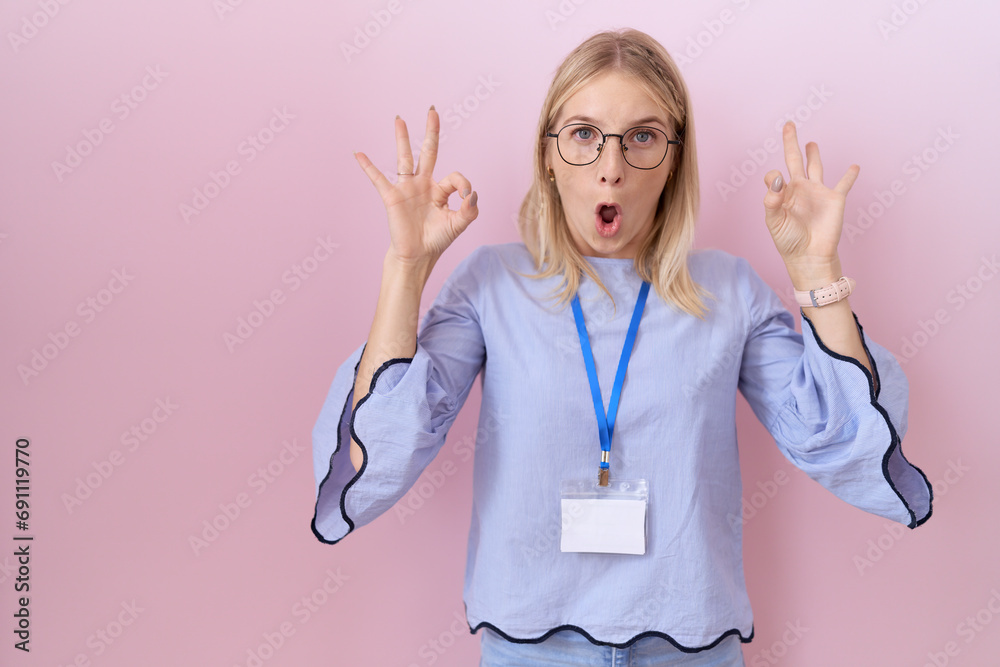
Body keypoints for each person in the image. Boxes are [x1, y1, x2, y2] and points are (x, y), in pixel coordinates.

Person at [311, 28, 932, 667]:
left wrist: (815, 271)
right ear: (548, 155)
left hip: (690, 648)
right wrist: (406, 267)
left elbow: (844, 438)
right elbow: (378, 448)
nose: (612, 167)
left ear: (673, 159)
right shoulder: (491, 284)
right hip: (531, 648)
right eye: (584, 135)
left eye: (642, 137)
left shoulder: (731, 290)